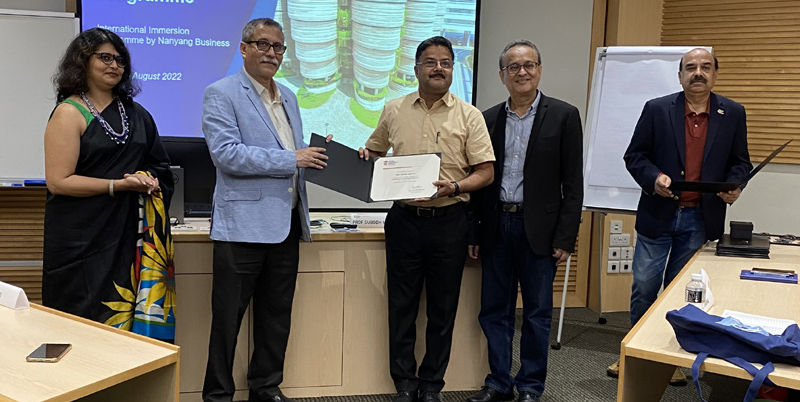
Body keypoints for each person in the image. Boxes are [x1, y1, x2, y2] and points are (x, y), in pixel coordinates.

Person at [201, 18, 331, 402]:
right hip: (241, 227)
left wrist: (327, 157)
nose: (271, 53)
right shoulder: (221, 93)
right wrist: (293, 157)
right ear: (243, 48)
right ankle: (218, 396)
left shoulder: (289, 95)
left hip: (286, 223)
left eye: (278, 47)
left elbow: (295, 156)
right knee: (227, 322)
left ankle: (265, 388)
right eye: (262, 44)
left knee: (277, 318)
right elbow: (226, 155)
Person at [359, 36, 495, 402]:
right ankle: (404, 384)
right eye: (431, 62)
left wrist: (454, 186)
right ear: (416, 69)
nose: (439, 68)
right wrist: (360, 154)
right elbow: (373, 152)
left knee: (442, 308)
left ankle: (432, 385)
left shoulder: (470, 116)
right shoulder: (393, 109)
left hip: (450, 222)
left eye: (446, 63)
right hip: (404, 221)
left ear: (453, 69)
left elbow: (485, 173)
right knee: (401, 307)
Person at [607, 48, 753, 382]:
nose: (698, 73)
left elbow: (740, 161)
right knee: (645, 286)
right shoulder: (657, 109)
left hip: (700, 218)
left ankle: (669, 359)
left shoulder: (732, 112)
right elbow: (635, 156)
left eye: (705, 67)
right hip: (659, 212)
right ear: (680, 75)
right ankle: (634, 355)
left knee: (679, 293)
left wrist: (736, 185)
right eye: (690, 68)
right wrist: (654, 178)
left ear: (715, 73)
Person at [466, 40, 584, 402]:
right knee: (494, 311)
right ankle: (499, 383)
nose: (522, 72)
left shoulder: (564, 115)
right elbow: (479, 182)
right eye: (514, 67)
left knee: (537, 314)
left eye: (529, 65)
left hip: (541, 232)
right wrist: (474, 230)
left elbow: (573, 183)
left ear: (539, 70)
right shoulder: (487, 119)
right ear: (502, 75)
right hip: (497, 225)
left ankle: (531, 386)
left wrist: (566, 237)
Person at [42, 28, 175, 340]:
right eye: (105, 57)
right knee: (78, 328)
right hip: (80, 241)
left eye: (120, 60)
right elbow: (58, 182)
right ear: (83, 61)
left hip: (129, 236)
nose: (114, 65)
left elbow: (161, 168)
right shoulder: (69, 113)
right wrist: (119, 185)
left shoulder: (138, 115)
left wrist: (148, 180)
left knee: (127, 336)